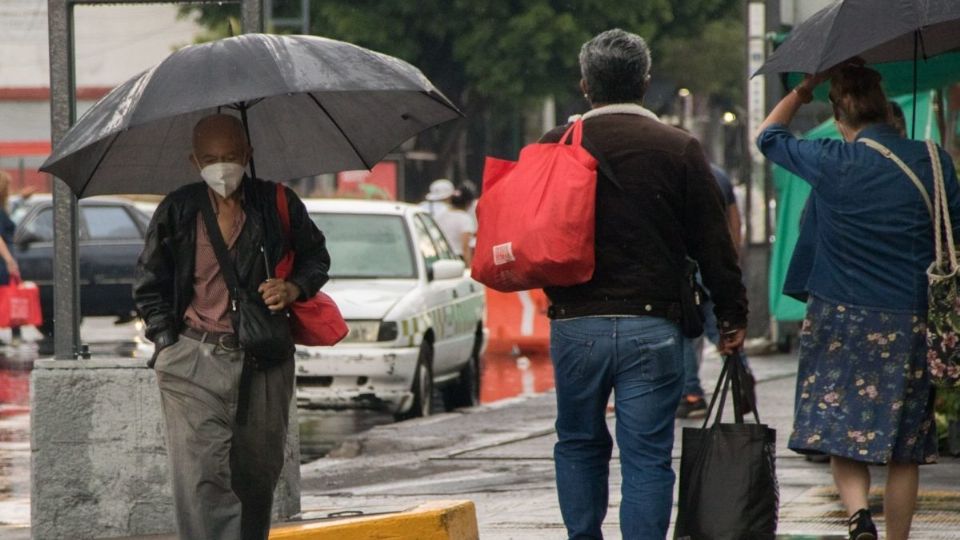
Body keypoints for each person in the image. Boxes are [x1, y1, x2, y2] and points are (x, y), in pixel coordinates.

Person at [541, 29, 748, 539]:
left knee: (578, 443)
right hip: (653, 326)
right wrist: (731, 316)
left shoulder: (554, 146)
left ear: (586, 85)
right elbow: (713, 244)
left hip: (575, 324)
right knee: (648, 458)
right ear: (646, 84)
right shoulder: (678, 148)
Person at [757, 62, 956, 540]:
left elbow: (768, 137)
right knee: (905, 446)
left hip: (839, 316)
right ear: (886, 110)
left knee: (840, 423)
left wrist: (803, 91)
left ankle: (856, 515)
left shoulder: (831, 159)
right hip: (910, 316)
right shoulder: (934, 160)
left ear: (840, 114)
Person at [133, 114, 330, 540]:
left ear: (248, 155)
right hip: (192, 359)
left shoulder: (278, 203)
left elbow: (318, 257)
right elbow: (148, 284)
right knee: (201, 477)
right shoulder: (178, 209)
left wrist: (294, 288)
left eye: (231, 157)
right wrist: (167, 342)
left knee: (257, 476)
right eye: (210, 159)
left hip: (264, 359)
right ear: (194, 160)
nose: (222, 167)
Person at [677, 162, 751, 418]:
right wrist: (733, 259)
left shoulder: (678, 173)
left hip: (688, 267)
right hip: (716, 266)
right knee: (722, 327)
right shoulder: (719, 174)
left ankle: (692, 394)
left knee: (687, 332)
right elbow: (734, 220)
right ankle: (742, 378)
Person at [435, 186, 476, 264]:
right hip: (457, 259)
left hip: (440, 258)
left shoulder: (440, 215)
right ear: (468, 203)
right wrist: (469, 266)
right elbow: (465, 247)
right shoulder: (465, 219)